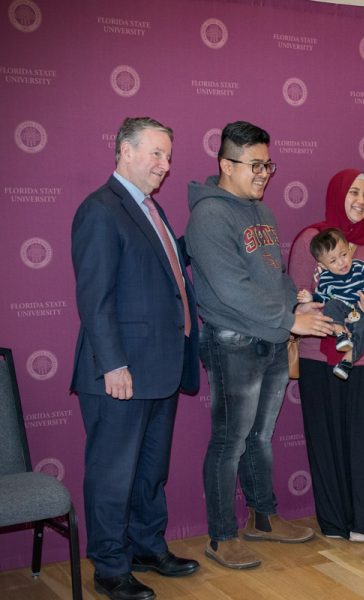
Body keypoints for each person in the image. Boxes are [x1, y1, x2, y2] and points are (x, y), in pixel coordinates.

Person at [185, 121, 333, 570]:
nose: (265, 173)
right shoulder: (208, 216)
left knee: (260, 436)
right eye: (255, 165)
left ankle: (263, 517)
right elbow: (232, 289)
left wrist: (299, 302)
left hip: (270, 339)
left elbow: (273, 278)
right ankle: (221, 535)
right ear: (225, 165)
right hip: (233, 341)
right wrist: (290, 319)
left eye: (268, 164)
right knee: (230, 441)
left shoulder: (262, 213)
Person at [71, 116, 201, 600]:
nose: (165, 166)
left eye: (168, 156)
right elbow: (95, 299)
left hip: (160, 368)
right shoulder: (101, 210)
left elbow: (166, 270)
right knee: (112, 475)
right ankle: (109, 568)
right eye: (156, 154)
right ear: (124, 150)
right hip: (120, 373)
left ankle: (147, 547)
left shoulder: (151, 209)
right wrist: (113, 364)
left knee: (150, 472)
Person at [288, 168, 364, 542]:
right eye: (353, 192)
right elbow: (297, 300)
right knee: (326, 440)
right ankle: (335, 522)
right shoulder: (313, 240)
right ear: (338, 194)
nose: (360, 201)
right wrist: (335, 314)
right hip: (319, 358)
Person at [297, 227, 364, 379]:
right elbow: (321, 299)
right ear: (323, 266)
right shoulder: (325, 279)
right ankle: (341, 334)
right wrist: (310, 299)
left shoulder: (362, 268)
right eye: (333, 261)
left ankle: (347, 361)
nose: (342, 262)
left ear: (349, 249)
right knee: (331, 305)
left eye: (343, 255)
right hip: (342, 311)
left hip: (363, 311)